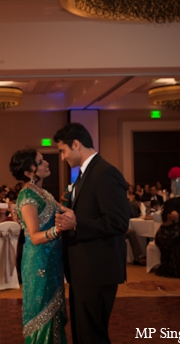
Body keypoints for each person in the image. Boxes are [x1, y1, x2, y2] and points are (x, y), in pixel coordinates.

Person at [54, 123, 129, 344]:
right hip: (84, 270)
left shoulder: (105, 172)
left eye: (63, 150)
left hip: (97, 268)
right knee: (82, 333)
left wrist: (77, 224)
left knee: (92, 335)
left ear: (76, 144)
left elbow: (118, 222)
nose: (62, 157)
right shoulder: (85, 173)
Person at [9, 149, 67, 343]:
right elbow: (33, 236)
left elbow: (65, 210)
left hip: (52, 259)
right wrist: (58, 230)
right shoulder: (27, 197)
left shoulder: (42, 192)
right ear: (28, 172)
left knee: (54, 311)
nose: (47, 164)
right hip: (39, 262)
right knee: (42, 313)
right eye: (41, 162)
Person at [155, 198, 180, 278]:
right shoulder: (173, 213)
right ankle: (178, 270)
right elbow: (173, 230)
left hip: (173, 236)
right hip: (166, 237)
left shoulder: (174, 212)